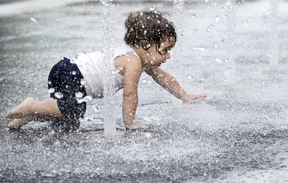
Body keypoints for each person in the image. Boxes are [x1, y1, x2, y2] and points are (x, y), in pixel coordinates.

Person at [5, 10, 207, 132]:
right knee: (71, 110)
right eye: (164, 50)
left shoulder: (140, 59)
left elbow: (166, 79)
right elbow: (130, 92)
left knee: (71, 120)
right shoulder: (133, 62)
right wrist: (130, 122)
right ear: (145, 43)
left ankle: (30, 115)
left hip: (68, 71)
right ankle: (32, 106)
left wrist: (185, 96)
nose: (167, 56)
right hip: (72, 73)